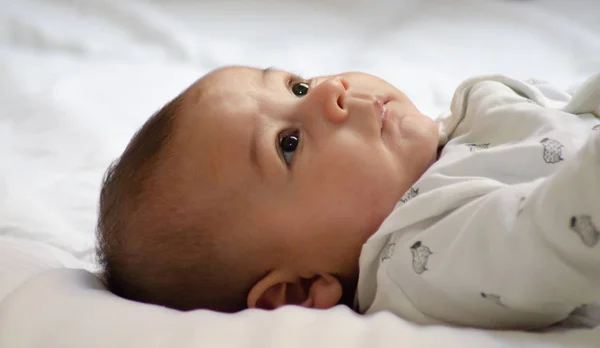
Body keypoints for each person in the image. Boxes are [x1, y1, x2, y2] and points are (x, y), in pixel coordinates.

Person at [96, 66, 600, 330]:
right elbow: (560, 235)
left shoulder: (456, 131)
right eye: (287, 144)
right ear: (294, 293)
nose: (329, 90)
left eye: (296, 85)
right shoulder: (422, 253)